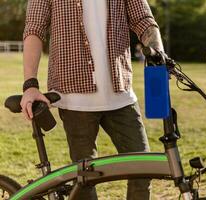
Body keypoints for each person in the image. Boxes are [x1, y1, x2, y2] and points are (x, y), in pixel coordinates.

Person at [20, 1, 164, 199]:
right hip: (74, 98)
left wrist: (159, 53)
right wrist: (30, 84)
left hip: (121, 94)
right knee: (85, 182)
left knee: (143, 168)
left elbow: (144, 20)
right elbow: (34, 28)